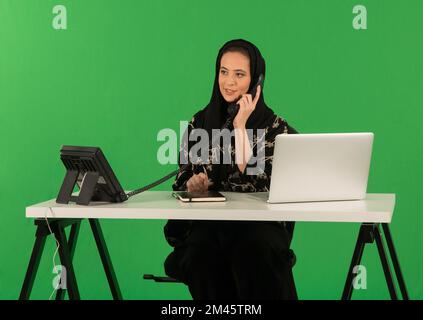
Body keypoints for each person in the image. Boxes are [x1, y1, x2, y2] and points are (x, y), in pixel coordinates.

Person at [163, 39, 298, 300]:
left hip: (259, 227)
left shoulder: (276, 130)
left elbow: (255, 176)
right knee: (199, 255)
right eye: (223, 72)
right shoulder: (201, 122)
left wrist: (240, 125)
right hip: (211, 225)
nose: (229, 82)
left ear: (257, 81)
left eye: (239, 74)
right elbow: (182, 175)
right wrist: (193, 184)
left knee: (254, 252)